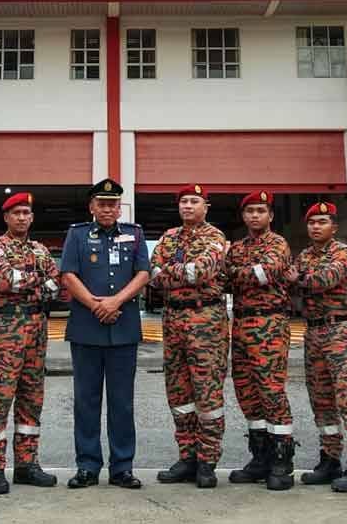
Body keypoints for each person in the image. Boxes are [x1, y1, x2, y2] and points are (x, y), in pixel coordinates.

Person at [60, 178, 150, 490]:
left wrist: (116, 301)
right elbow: (68, 274)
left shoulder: (135, 235)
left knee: (122, 402)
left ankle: (122, 468)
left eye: (113, 204)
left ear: (119, 207)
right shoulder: (77, 234)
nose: (108, 208)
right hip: (86, 329)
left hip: (123, 329)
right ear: (92, 207)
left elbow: (143, 274)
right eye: (102, 203)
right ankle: (87, 466)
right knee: (86, 401)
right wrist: (96, 304)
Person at [0, 191, 61, 494]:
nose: (22, 218)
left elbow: (57, 283)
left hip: (37, 329)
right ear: (6, 218)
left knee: (32, 399)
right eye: (16, 213)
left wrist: (27, 281)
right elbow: (4, 281)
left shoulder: (41, 250)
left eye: (26, 213)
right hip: (5, 328)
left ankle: (27, 465)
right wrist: (38, 281)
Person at [150, 184, 229, 488]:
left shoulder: (215, 237)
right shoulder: (169, 237)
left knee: (207, 393)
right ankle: (188, 457)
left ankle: (207, 461)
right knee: (179, 393)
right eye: (184, 201)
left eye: (194, 201)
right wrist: (182, 272)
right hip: (173, 319)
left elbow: (204, 271)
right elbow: (155, 275)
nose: (188, 206)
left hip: (205, 319)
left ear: (206, 206)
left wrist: (172, 272)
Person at [291, 201, 347, 493]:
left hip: (339, 329)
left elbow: (326, 279)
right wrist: (297, 280)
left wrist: (298, 279)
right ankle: (330, 459)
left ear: (333, 227)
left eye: (322, 222)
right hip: (313, 331)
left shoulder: (342, 252)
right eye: (312, 222)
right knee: (321, 399)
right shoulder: (304, 256)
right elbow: (292, 287)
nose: (316, 226)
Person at [225, 190, 296, 490]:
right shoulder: (238, 247)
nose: (255, 215)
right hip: (241, 323)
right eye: (250, 211)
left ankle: (282, 460)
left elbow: (265, 272)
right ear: (243, 216)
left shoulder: (278, 243)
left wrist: (240, 273)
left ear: (270, 216)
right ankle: (260, 457)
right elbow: (225, 277)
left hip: (269, 322)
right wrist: (246, 273)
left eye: (261, 210)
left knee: (271, 390)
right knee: (246, 391)